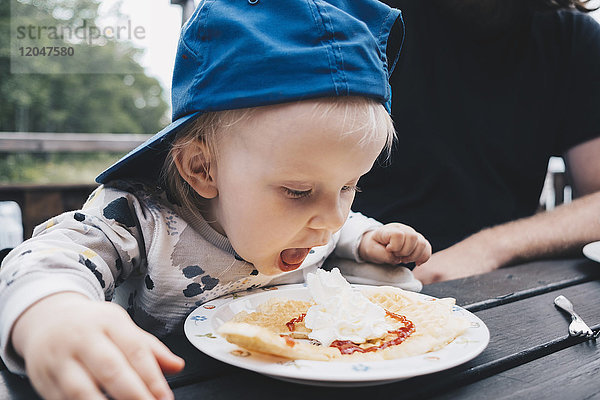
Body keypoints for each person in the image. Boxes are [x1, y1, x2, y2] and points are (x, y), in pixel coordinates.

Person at [0, 1, 431, 399]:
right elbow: (51, 255)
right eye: (299, 191)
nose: (331, 218)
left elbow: (340, 230)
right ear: (203, 170)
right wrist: (51, 313)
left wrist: (369, 238)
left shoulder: (313, 222)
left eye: (348, 185)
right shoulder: (140, 218)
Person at [353, 0, 600, 284]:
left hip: (498, 285)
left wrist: (488, 248)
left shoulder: (572, 38)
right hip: (353, 278)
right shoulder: (363, 14)